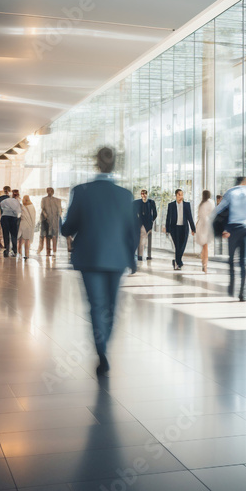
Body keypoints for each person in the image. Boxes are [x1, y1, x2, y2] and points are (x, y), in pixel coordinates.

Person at [60, 147, 138, 377]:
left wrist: (64, 222)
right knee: (111, 306)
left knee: (96, 305)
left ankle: (101, 349)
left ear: (96, 163)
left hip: (90, 257)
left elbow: (68, 227)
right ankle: (105, 344)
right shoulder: (125, 195)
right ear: (115, 165)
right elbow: (131, 230)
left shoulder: (81, 191)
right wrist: (131, 257)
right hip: (116, 258)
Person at [165, 189, 196, 270]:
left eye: (182, 194)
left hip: (184, 228)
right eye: (179, 195)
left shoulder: (186, 205)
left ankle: (177, 260)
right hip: (174, 229)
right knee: (177, 246)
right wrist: (167, 229)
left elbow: (190, 217)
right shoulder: (171, 205)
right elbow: (168, 218)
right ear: (176, 195)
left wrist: (193, 229)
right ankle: (178, 262)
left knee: (182, 246)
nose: (181, 196)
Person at [135, 189, 158, 262]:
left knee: (147, 240)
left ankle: (147, 255)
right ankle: (140, 255)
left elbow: (155, 213)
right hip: (141, 224)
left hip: (148, 224)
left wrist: (151, 221)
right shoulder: (137, 202)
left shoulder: (151, 202)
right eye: (142, 194)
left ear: (147, 194)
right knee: (142, 239)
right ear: (141, 195)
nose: (144, 195)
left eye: (145, 194)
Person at [195, 190, 215, 273]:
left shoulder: (201, 204)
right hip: (206, 226)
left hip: (200, 225)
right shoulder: (211, 202)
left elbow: (199, 216)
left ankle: (203, 262)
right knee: (206, 247)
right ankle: (205, 265)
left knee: (203, 246)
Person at [0, 189, 22, 257]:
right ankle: (14, 250)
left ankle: (6, 250)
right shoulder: (17, 202)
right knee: (14, 235)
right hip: (13, 218)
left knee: (5, 234)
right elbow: (17, 210)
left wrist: (6, 210)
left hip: (5, 217)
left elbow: (1, 205)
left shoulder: (6, 200)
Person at [40, 187, 63, 256]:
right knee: (47, 236)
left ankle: (54, 250)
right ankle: (48, 251)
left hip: (55, 220)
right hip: (47, 220)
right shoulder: (44, 199)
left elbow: (59, 210)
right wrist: (45, 215)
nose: (49, 192)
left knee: (54, 235)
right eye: (48, 191)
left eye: (50, 191)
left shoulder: (57, 200)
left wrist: (59, 215)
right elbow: (43, 208)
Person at [19, 195, 36, 259]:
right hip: (29, 225)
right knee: (27, 240)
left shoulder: (22, 206)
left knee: (20, 240)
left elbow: (19, 215)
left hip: (22, 224)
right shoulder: (32, 207)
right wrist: (33, 225)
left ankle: (20, 253)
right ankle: (27, 254)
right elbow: (33, 217)